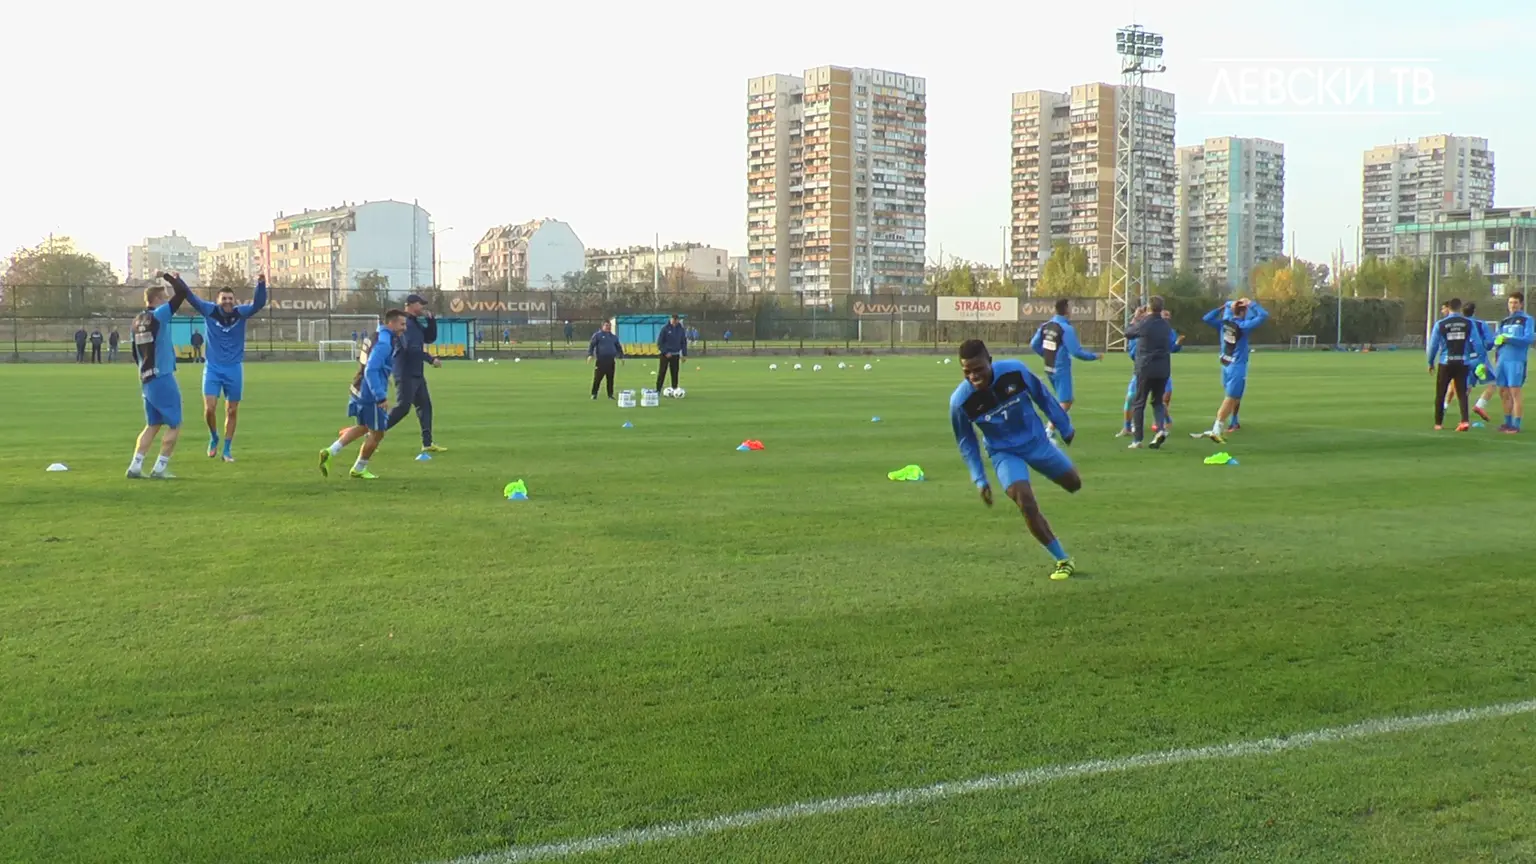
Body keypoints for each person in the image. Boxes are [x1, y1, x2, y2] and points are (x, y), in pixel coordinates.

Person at [950, 338, 1081, 581]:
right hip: (1004, 453)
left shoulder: (1015, 372)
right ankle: (1063, 559)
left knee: (1074, 484)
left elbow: (1042, 396)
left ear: (990, 361)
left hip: (1037, 443)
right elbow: (967, 443)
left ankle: (1051, 459)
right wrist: (980, 479)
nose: (973, 377)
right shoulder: (960, 402)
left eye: (978, 369)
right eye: (967, 372)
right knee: (1025, 501)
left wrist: (1064, 426)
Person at [184, 275, 269, 461]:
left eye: (230, 298)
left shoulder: (240, 313)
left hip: (234, 368)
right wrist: (177, 280)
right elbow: (190, 297)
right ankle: (214, 437)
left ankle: (227, 450)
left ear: (234, 300)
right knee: (210, 408)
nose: (228, 302)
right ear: (218, 300)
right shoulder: (209, 310)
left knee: (232, 410)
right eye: (224, 298)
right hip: (213, 368)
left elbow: (259, 304)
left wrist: (261, 284)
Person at [320, 310, 408, 480]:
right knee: (378, 432)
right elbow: (371, 369)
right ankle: (359, 468)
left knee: (364, 426)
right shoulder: (384, 343)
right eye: (402, 324)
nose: (404, 328)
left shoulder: (376, 335)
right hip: (370, 393)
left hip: (359, 387)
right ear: (391, 323)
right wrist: (380, 396)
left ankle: (330, 451)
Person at [126, 272, 191, 479]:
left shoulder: (136, 322)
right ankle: (160, 468)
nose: (166, 300)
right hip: (162, 376)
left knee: (152, 424)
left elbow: (135, 353)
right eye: (164, 297)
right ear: (157, 299)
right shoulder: (159, 315)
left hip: (146, 378)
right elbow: (182, 293)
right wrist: (169, 277)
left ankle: (135, 466)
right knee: (175, 424)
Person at [1193, 297, 1268, 443]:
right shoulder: (1243, 326)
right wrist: (1251, 304)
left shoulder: (1225, 323)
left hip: (1225, 363)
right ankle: (1216, 429)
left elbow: (1207, 318)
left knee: (1235, 397)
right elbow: (1263, 315)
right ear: (1244, 312)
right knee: (1231, 398)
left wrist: (1225, 305)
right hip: (1237, 366)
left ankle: (1232, 423)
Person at [1029, 298, 1099, 442]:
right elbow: (1076, 352)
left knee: (1062, 400)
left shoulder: (1046, 326)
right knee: (1066, 401)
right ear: (1066, 310)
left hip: (1049, 367)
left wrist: (1046, 355)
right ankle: (1048, 431)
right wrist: (1094, 356)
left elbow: (1034, 344)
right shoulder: (1065, 328)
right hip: (1061, 368)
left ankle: (1059, 428)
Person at [385, 293, 445, 453]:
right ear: (410, 305)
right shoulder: (405, 324)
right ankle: (374, 433)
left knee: (425, 406)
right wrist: (431, 359)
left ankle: (427, 443)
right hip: (405, 372)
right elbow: (412, 349)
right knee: (402, 408)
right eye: (420, 304)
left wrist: (431, 321)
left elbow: (429, 338)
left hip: (416, 372)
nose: (423, 307)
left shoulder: (415, 323)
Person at [1427, 297, 1493, 431]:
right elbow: (1477, 343)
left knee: (1441, 393)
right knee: (1462, 393)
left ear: (1449, 308)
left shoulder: (1441, 324)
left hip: (1446, 362)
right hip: (1463, 361)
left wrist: (1430, 361)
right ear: (1459, 308)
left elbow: (1433, 345)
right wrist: (1481, 360)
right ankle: (1464, 421)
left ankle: (1438, 423)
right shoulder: (1468, 323)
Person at [1122, 298, 1176, 449]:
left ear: (1149, 308)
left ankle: (1137, 439)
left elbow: (1128, 333)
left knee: (1139, 403)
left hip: (1146, 367)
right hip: (1163, 368)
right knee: (1158, 402)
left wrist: (1136, 318)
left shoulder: (1145, 323)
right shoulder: (1166, 325)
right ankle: (1160, 429)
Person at [1493, 290, 1533, 433]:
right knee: (1503, 392)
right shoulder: (1504, 321)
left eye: (1515, 302)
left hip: (1516, 360)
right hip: (1502, 360)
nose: (1512, 305)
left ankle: (1516, 425)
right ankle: (1507, 422)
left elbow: (1528, 339)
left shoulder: (1527, 320)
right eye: (1510, 302)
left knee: (1515, 392)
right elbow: (1497, 340)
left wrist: (1509, 339)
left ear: (1521, 304)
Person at [1450, 302, 1495, 422]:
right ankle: (1479, 405)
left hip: (1465, 359)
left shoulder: (1459, 324)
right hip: (1479, 359)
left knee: (1466, 388)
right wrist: (1486, 347)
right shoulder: (1481, 324)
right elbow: (1490, 342)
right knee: (1493, 383)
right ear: (1474, 311)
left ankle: (1463, 418)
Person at [588, 320, 625, 399]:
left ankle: (610, 395)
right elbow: (592, 345)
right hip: (601, 360)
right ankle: (594, 394)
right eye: (606, 325)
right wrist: (590, 355)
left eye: (609, 325)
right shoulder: (598, 335)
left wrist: (621, 357)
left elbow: (618, 347)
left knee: (610, 379)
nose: (608, 327)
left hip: (611, 360)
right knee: (598, 378)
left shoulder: (613, 337)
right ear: (603, 326)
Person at [656, 313, 687, 394]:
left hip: (675, 354)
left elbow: (683, 342)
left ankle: (675, 389)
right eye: (673, 320)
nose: (674, 321)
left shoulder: (681, 329)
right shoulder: (665, 329)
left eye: (676, 320)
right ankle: (658, 389)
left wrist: (684, 354)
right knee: (662, 372)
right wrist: (665, 352)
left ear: (678, 320)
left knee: (675, 372)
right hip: (665, 355)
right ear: (671, 319)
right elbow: (659, 343)